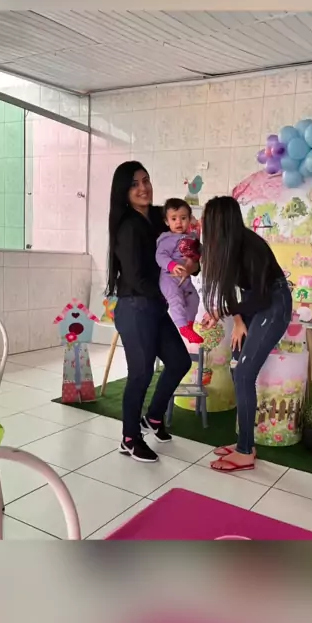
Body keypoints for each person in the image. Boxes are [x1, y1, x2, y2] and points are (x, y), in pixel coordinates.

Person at [107, 161, 194, 463]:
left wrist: (191, 265)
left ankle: (154, 417)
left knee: (179, 361)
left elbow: (184, 249)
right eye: (134, 184)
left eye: (146, 180)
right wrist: (171, 294)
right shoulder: (128, 226)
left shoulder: (159, 218)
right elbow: (135, 277)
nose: (143, 188)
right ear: (124, 191)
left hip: (155, 306)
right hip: (135, 307)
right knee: (141, 374)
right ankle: (130, 438)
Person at [201, 196, 292, 473]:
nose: (202, 222)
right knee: (236, 370)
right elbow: (233, 290)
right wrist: (236, 320)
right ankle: (245, 443)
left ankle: (244, 452)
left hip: (272, 305)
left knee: (243, 374)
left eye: (206, 217)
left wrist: (222, 312)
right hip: (254, 305)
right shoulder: (225, 246)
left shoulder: (252, 248)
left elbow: (261, 298)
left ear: (218, 222)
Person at [155, 198, 203, 344]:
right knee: (176, 300)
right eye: (174, 219)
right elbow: (160, 256)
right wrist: (171, 265)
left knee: (194, 298)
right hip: (169, 278)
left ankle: (189, 325)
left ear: (189, 219)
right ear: (166, 221)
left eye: (183, 218)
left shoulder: (191, 237)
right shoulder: (167, 239)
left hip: (185, 279)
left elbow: (198, 251)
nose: (179, 222)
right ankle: (182, 327)